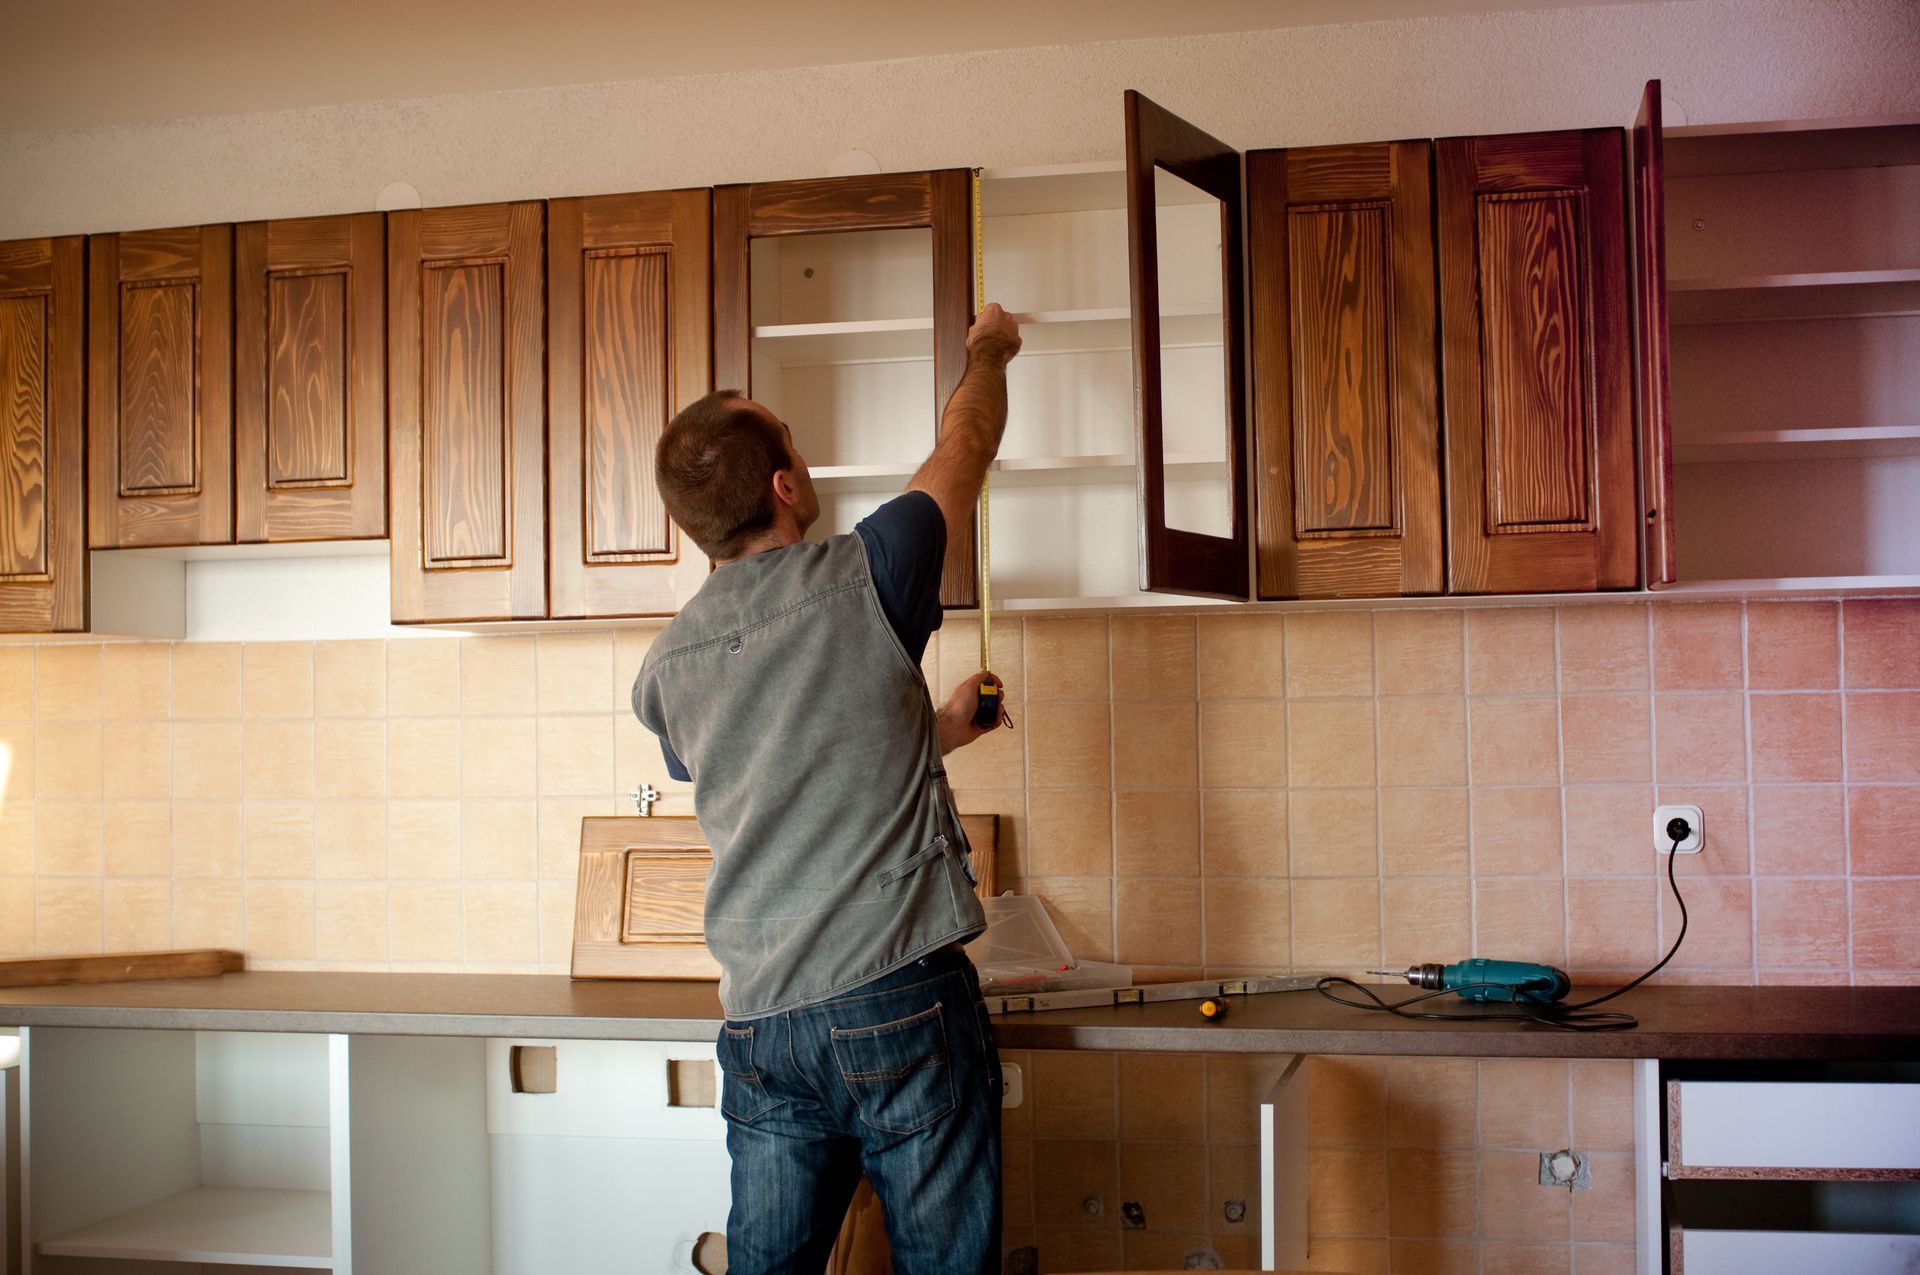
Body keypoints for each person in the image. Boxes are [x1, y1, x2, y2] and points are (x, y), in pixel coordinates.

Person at [632, 303, 1024, 1275]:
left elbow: (780, 768)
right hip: (899, 997)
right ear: (785, 483)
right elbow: (966, 442)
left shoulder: (665, 672)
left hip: (765, 1025)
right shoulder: (873, 571)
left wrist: (933, 733)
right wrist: (990, 349)